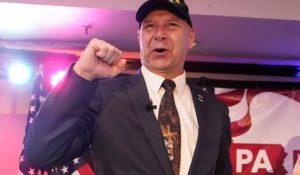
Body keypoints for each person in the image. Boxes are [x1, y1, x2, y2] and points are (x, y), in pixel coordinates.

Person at [25, 0, 232, 175]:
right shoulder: (104, 96)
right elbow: (41, 154)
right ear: (139, 37)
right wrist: (82, 75)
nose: (159, 34)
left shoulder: (215, 111)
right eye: (150, 26)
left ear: (191, 37)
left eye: (171, 25)